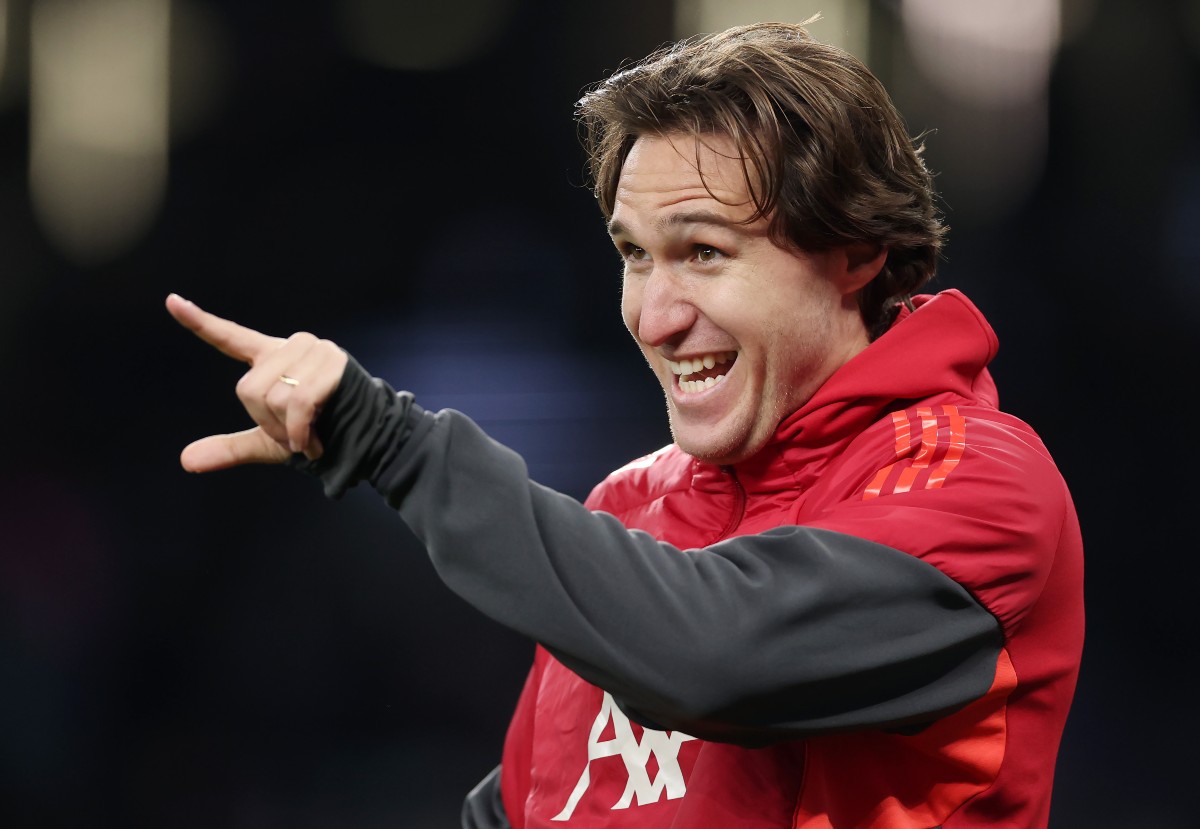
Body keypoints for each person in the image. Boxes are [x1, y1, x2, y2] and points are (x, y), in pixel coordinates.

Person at [167, 20, 1084, 829]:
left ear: (857, 253)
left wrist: (392, 445)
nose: (654, 316)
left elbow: (717, 655)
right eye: (635, 256)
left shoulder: (980, 481)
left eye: (704, 252)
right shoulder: (630, 511)